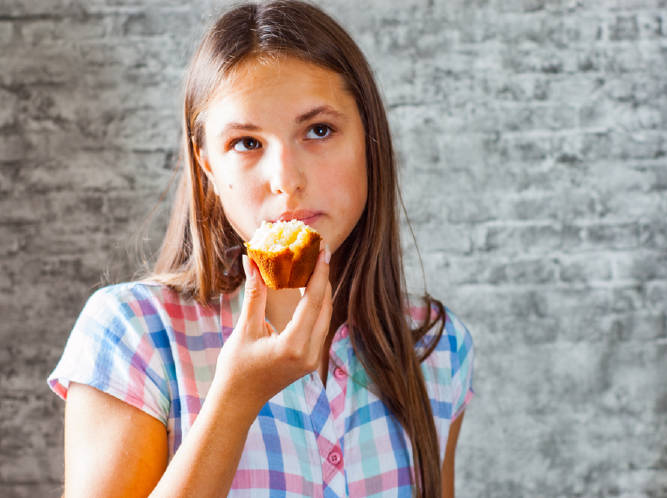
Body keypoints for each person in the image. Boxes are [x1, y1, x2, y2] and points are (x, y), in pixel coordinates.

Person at [47, 1, 474, 496]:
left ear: (370, 142)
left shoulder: (435, 349)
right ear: (207, 167)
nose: (286, 182)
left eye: (319, 131)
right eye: (247, 143)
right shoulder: (132, 335)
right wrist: (237, 397)